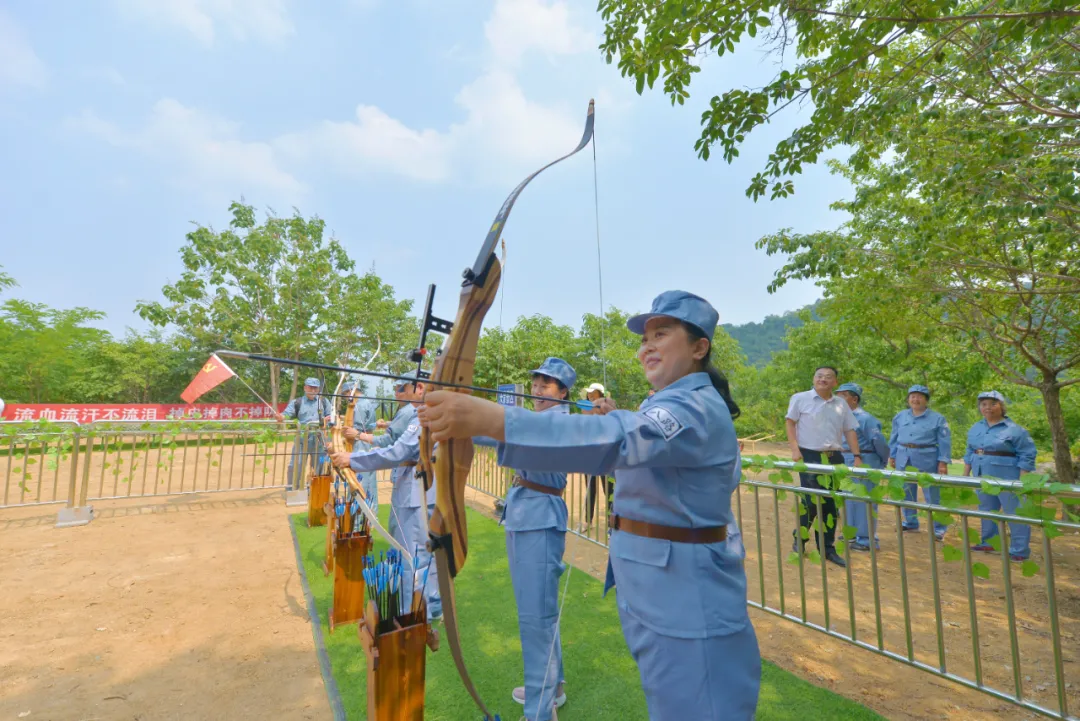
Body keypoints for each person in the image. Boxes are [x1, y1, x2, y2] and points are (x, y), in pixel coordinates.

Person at [419, 290, 761, 721]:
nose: (647, 345)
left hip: (688, 596)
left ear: (699, 347)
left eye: (662, 333)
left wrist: (493, 419)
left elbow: (621, 438)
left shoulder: (694, 404)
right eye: (644, 338)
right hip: (660, 587)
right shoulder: (669, 403)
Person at [474, 357, 575, 720]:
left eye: (546, 384)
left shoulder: (557, 423)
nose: (537, 389)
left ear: (563, 392)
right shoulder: (538, 420)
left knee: (536, 617)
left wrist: (462, 420)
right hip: (523, 512)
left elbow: (504, 432)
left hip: (540, 517)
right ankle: (552, 687)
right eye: (535, 382)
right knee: (538, 613)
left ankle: (539, 710)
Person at [330, 374, 441, 621]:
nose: (403, 391)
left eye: (415, 386)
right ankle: (429, 608)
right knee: (421, 553)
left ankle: (411, 613)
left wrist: (351, 459)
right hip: (419, 488)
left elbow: (397, 451)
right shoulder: (428, 413)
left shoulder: (427, 415)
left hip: (416, 492)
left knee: (411, 554)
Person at [785, 366, 862, 567]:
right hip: (810, 455)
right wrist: (795, 449)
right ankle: (800, 539)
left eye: (828, 377)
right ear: (814, 378)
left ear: (835, 382)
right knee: (811, 502)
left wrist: (857, 456)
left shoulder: (841, 404)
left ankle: (827, 549)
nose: (823, 379)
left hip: (834, 457)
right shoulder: (800, 398)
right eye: (819, 376)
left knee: (830, 505)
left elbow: (850, 430)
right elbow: (790, 423)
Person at [964, 391, 1038, 561]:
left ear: (1002, 407)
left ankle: (1019, 550)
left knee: (1015, 512)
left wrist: (1023, 479)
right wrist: (966, 474)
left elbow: (1027, 453)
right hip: (982, 475)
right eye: (983, 404)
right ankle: (990, 542)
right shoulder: (976, 428)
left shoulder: (1015, 430)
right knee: (986, 510)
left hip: (1007, 476)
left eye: (993, 404)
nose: (987, 408)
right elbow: (969, 451)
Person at [888, 384, 952, 540]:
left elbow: (944, 441)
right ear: (908, 399)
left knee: (933, 494)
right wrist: (892, 455)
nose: (915, 399)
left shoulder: (937, 418)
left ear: (926, 400)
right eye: (912, 396)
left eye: (919, 396)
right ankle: (911, 522)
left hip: (927, 457)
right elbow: (894, 437)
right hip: (904, 456)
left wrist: (943, 462)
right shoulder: (900, 416)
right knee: (906, 491)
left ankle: (939, 528)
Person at [835, 383, 888, 551]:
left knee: (864, 500)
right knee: (848, 498)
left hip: (864, 459)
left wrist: (881, 461)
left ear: (854, 399)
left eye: (842, 395)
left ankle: (866, 539)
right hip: (845, 459)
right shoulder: (840, 417)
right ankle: (851, 533)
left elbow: (880, 443)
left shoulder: (866, 419)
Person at [277, 377, 332, 490]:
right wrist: (281, 417)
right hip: (302, 439)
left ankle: (316, 489)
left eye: (315, 388)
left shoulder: (323, 401)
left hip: (320, 439)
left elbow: (331, 415)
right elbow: (287, 414)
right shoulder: (297, 402)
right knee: (297, 463)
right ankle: (292, 489)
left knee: (319, 464)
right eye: (310, 387)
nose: (312, 390)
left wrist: (329, 419)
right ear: (305, 387)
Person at [341, 380, 379, 512]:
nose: (346, 397)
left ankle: (360, 514)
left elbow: (354, 429)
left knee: (360, 479)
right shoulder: (366, 402)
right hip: (368, 440)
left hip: (360, 442)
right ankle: (371, 512)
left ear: (351, 391)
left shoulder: (359, 405)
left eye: (346, 393)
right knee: (369, 480)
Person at [582, 382, 613, 531]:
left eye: (593, 392)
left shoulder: (606, 409)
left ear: (600, 394)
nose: (590, 395)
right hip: (589, 455)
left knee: (609, 489)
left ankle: (611, 523)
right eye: (589, 393)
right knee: (590, 488)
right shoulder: (586, 409)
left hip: (606, 455)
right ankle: (588, 521)